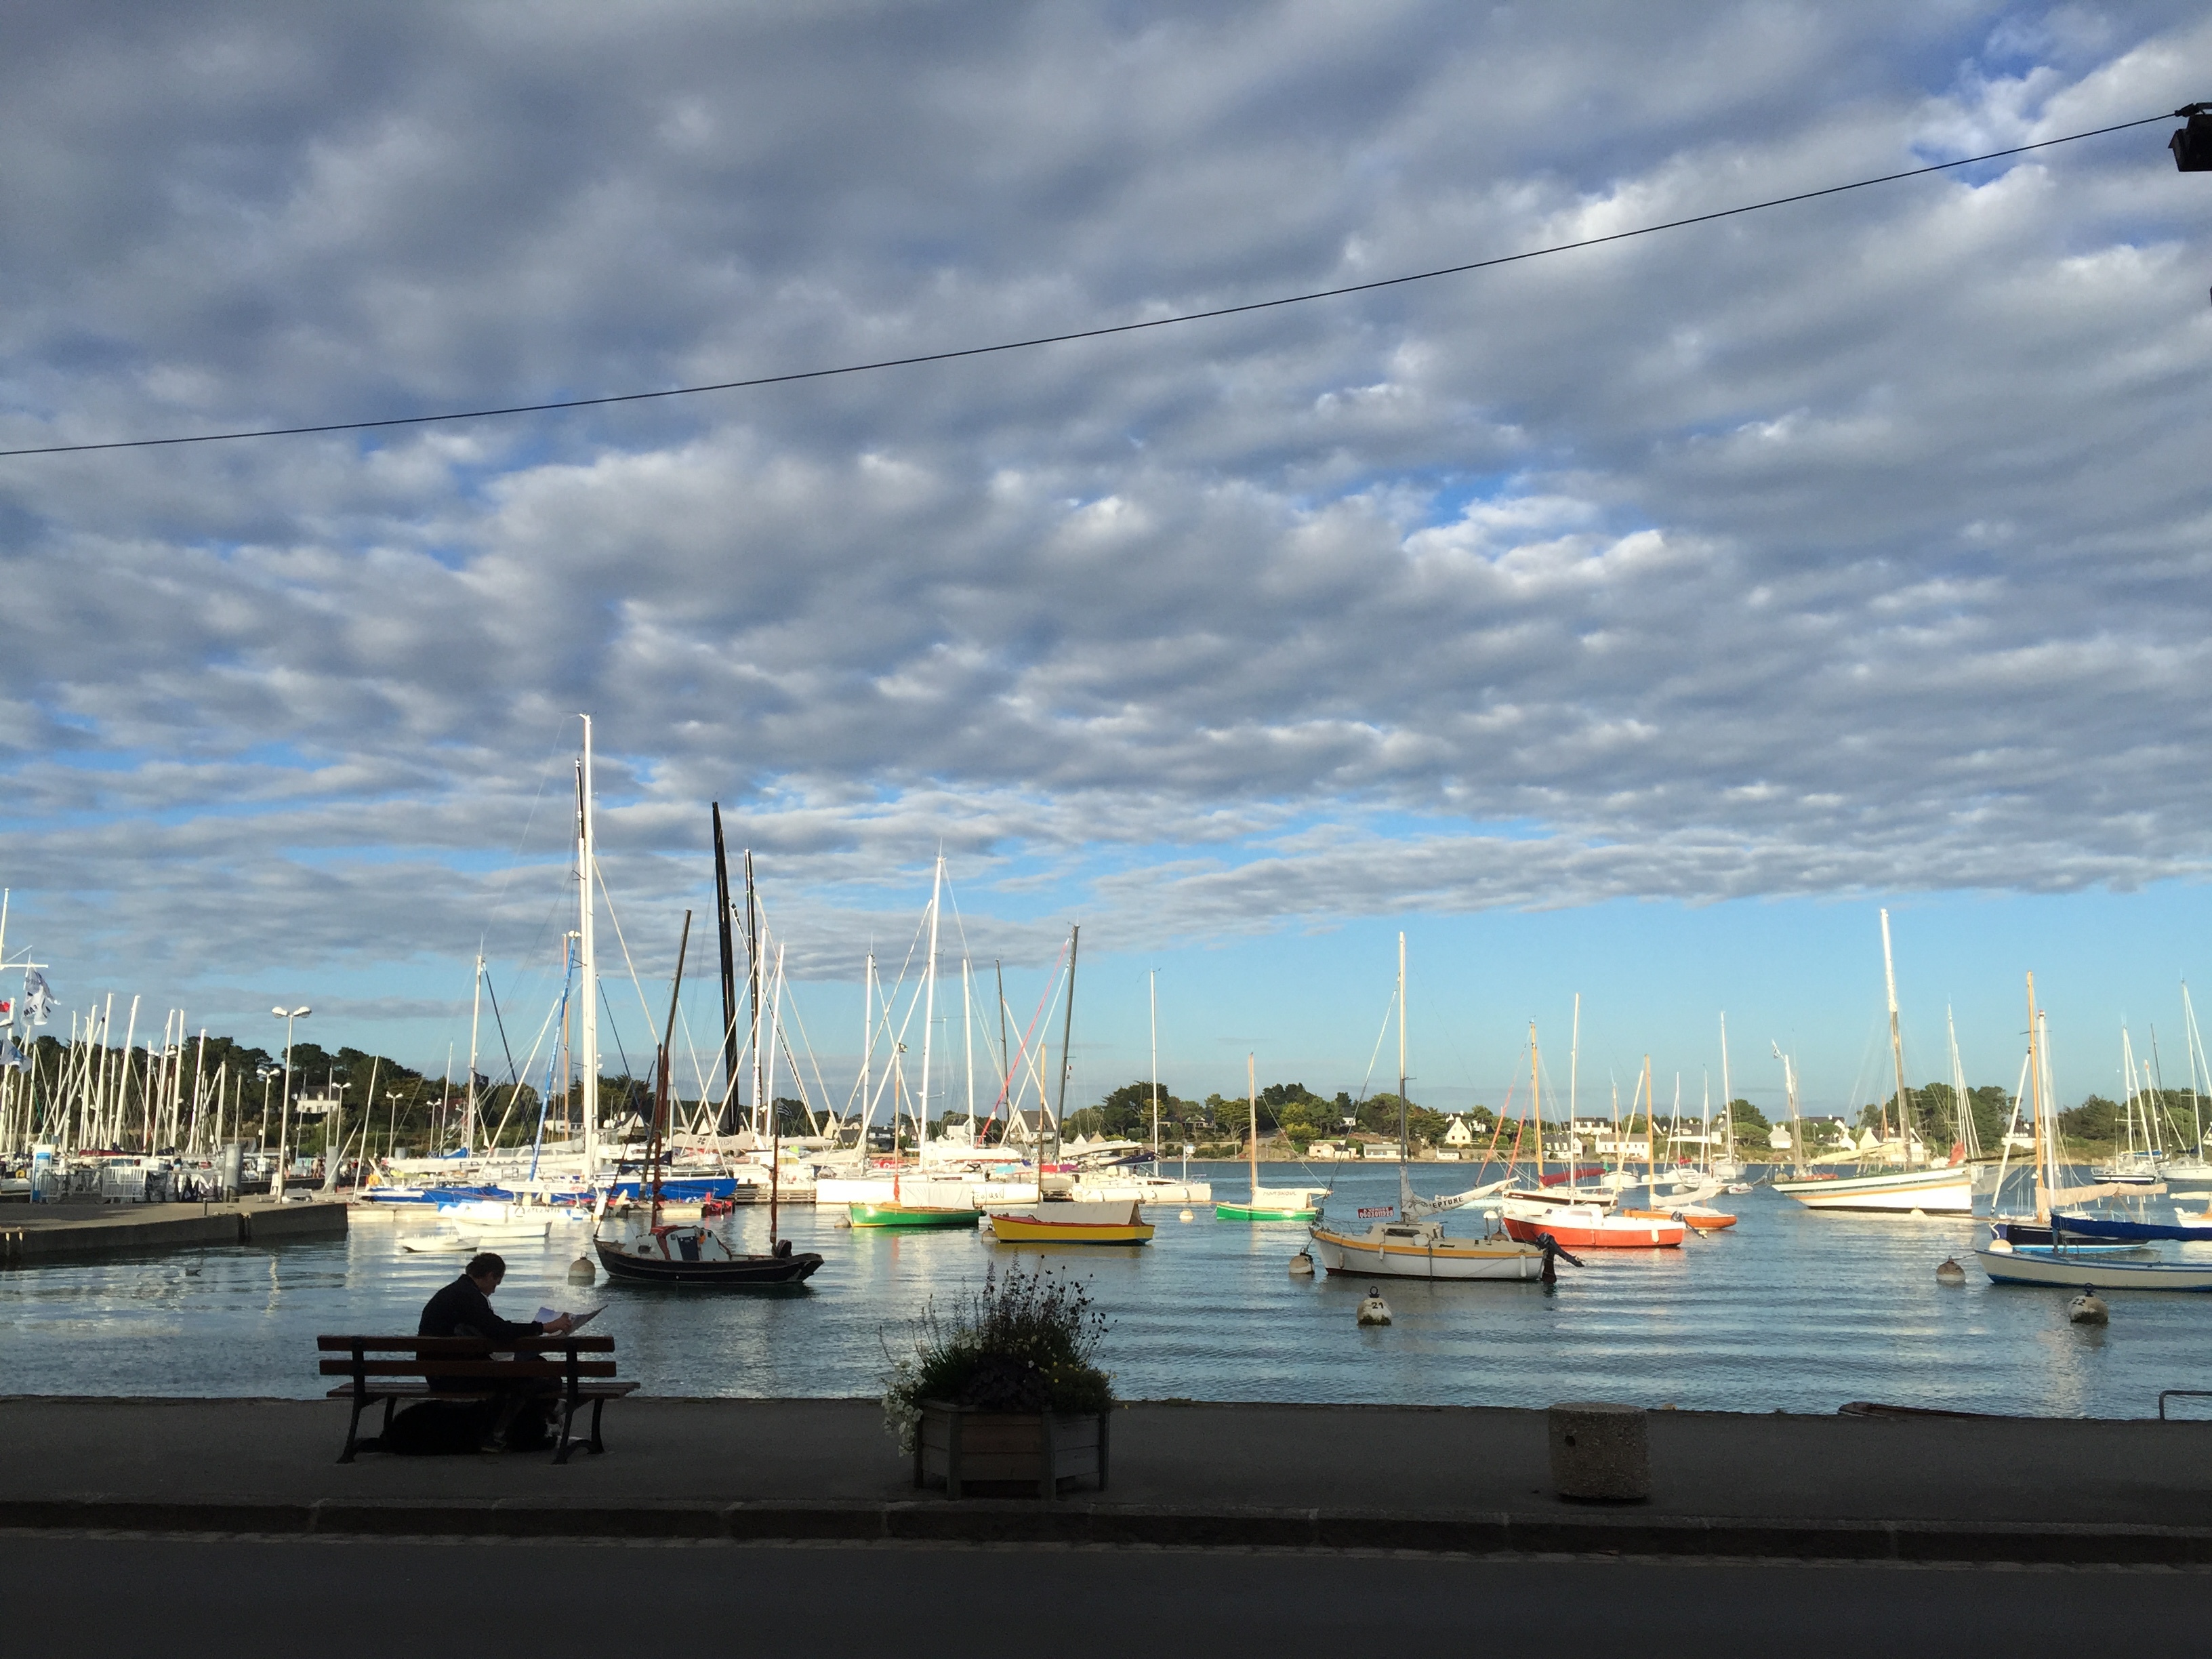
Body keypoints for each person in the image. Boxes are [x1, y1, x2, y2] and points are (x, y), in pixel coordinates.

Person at [419, 1252, 574, 1450]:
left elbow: (491, 1331)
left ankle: (544, 1414)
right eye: (496, 1284)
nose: (493, 1290)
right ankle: (498, 1432)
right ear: (491, 1275)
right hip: (455, 1376)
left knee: (536, 1367)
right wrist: (544, 1327)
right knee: (538, 1375)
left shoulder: (454, 1293)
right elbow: (499, 1331)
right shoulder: (469, 1297)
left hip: (440, 1372)